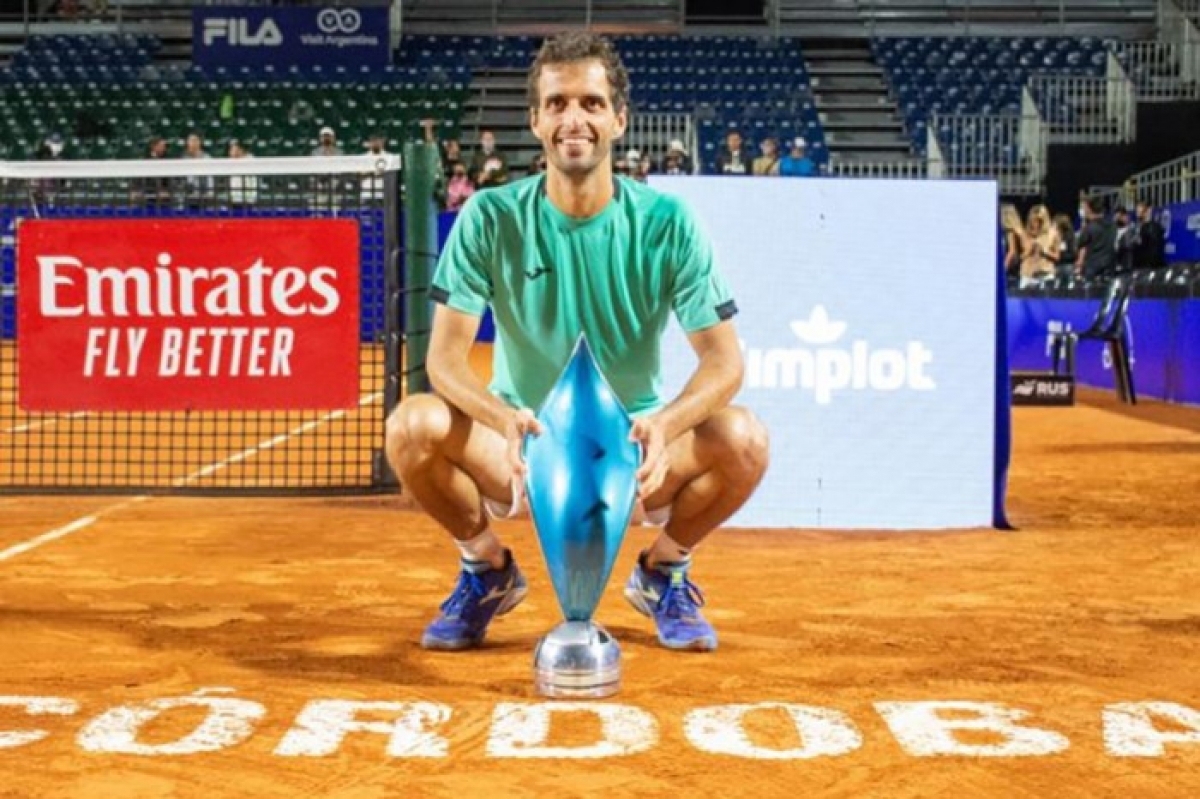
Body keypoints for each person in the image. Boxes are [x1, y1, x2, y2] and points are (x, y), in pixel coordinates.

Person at [385, 31, 769, 654]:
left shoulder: (668, 222)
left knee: (744, 439)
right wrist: (502, 418)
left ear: (619, 118)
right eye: (558, 103)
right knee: (413, 425)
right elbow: (445, 358)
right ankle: (485, 570)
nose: (574, 119)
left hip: (632, 448)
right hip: (519, 441)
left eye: (590, 103)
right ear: (535, 120)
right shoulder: (489, 216)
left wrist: (666, 425)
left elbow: (724, 362)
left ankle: (663, 573)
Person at [1075, 195, 1117, 280]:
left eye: (1084, 208)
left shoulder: (1089, 228)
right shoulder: (1113, 226)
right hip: (1109, 268)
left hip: (1092, 271)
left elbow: (1082, 251)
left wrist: (1078, 267)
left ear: (1089, 209)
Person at [1019, 204, 1059, 288]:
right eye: (1033, 220)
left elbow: (1057, 257)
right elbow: (1021, 256)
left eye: (1039, 221)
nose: (1036, 224)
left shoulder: (1053, 234)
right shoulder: (1024, 233)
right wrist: (1030, 249)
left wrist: (1045, 251)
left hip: (1046, 274)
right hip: (1028, 274)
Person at [1131, 200, 1166, 271]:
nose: (1137, 212)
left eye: (1140, 210)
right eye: (1137, 210)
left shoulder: (1153, 228)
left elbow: (1154, 252)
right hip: (1139, 268)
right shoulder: (1139, 227)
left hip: (1148, 270)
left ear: (1148, 210)